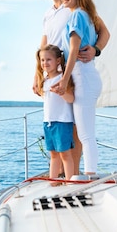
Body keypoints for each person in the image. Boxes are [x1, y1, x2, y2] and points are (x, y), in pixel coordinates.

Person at [33, 0, 110, 175]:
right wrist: (37, 75)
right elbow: (43, 45)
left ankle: (74, 175)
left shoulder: (76, 9)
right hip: (53, 75)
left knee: (76, 129)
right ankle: (63, 175)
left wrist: (96, 50)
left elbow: (104, 32)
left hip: (72, 73)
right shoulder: (48, 14)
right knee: (59, 123)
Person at [53, 0, 103, 175]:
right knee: (85, 132)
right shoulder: (86, 16)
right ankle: (88, 173)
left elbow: (73, 50)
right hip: (86, 76)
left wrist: (64, 80)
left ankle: (90, 175)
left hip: (83, 77)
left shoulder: (77, 16)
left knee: (85, 134)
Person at [35, 44, 75, 181]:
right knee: (53, 154)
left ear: (58, 61)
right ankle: (53, 181)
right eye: (42, 60)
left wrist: (61, 92)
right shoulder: (45, 81)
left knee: (65, 154)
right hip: (48, 122)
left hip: (62, 121)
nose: (45, 63)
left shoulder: (63, 78)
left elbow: (71, 98)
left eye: (48, 59)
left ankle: (70, 182)